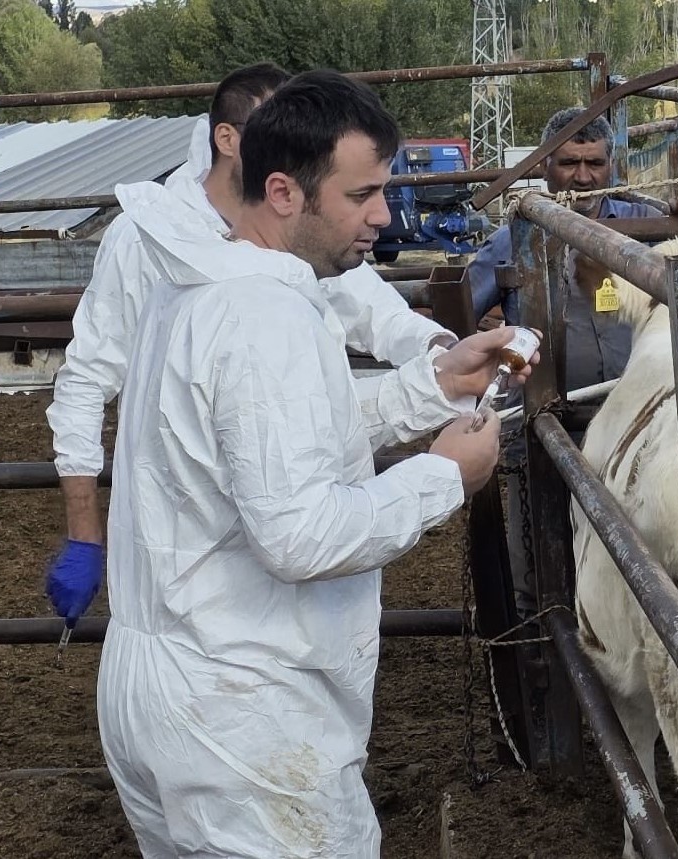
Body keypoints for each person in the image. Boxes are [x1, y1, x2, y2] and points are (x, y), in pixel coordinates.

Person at [87, 70, 533, 857]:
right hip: (247, 712)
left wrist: (432, 384)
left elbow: (259, 441)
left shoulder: (195, 284)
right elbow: (297, 534)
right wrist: (442, 478)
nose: (382, 216)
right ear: (285, 192)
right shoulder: (265, 315)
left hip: (165, 683)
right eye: (361, 195)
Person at [44, 63, 456, 632]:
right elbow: (88, 376)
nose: (381, 214)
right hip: (218, 628)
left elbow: (370, 310)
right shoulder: (155, 243)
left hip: (236, 630)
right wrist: (83, 531)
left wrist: (437, 355)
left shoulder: (302, 235)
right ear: (230, 139)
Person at [467, 106, 678, 393]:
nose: (583, 178)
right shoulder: (509, 240)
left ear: (611, 164)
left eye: (595, 164)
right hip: (543, 416)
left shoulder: (647, 224)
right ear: (543, 165)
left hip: (638, 409)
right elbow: (459, 316)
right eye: (569, 163)